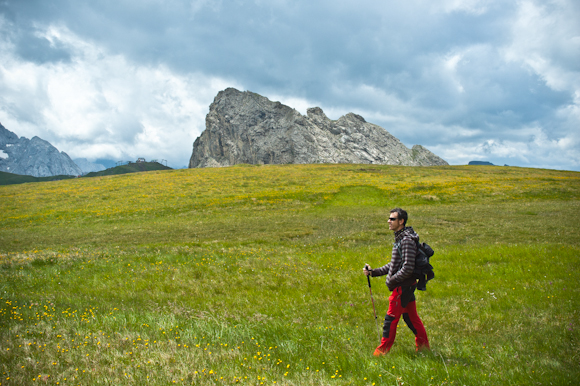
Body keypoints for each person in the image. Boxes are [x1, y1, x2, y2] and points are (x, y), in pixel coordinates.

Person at [363, 208, 430, 356]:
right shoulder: (401, 238)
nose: (389, 221)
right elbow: (394, 264)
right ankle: (424, 347)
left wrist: (391, 281)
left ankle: (381, 352)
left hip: (403, 287)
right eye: (389, 218)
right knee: (411, 317)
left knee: (390, 320)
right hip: (406, 286)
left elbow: (407, 268)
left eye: (392, 219)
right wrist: (374, 272)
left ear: (401, 221)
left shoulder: (406, 240)